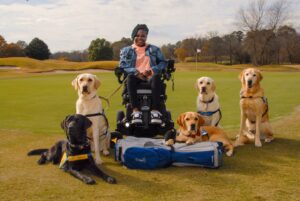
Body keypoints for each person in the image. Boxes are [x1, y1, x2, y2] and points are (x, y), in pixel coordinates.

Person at [119, 24, 167, 124]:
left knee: (156, 77)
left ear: (146, 37)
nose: (141, 38)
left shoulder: (154, 49)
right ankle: (136, 111)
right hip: (136, 77)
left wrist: (152, 70)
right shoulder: (126, 51)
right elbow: (123, 65)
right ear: (134, 36)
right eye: (138, 35)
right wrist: (136, 72)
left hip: (150, 76)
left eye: (143, 36)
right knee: (130, 77)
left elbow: (163, 62)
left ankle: (155, 111)